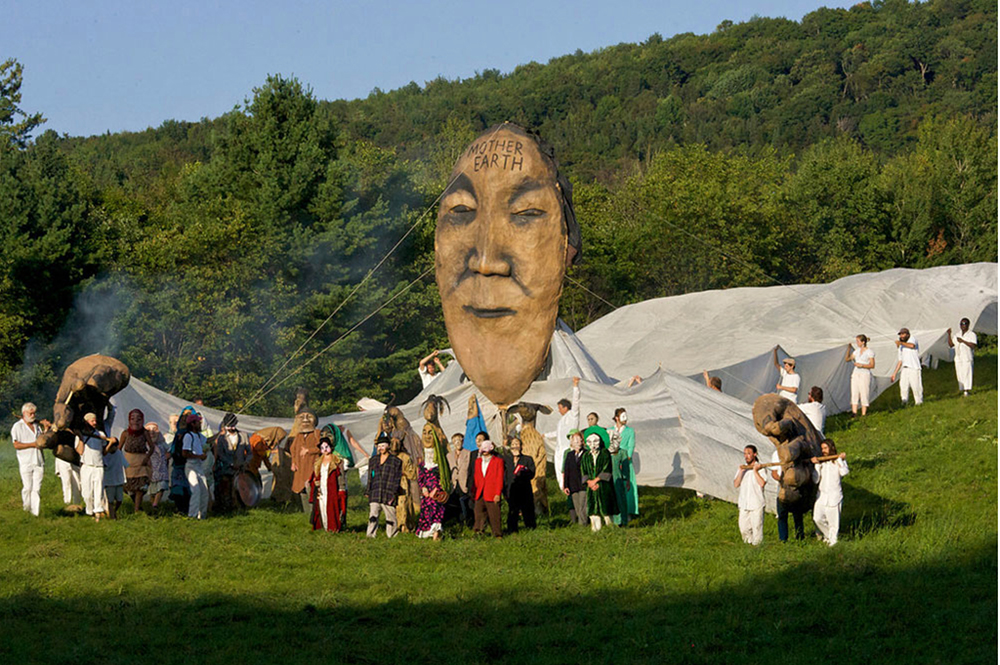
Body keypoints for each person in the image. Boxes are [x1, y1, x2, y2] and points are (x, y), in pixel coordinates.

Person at [811, 440, 849, 546]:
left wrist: (840, 460)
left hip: (834, 496)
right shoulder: (822, 463)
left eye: (825, 448)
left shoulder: (838, 461)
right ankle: (828, 536)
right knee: (817, 518)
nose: (823, 451)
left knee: (833, 522)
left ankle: (833, 542)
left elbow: (844, 472)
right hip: (822, 496)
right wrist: (817, 466)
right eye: (822, 448)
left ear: (831, 448)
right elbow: (815, 480)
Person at [75, 413, 111, 521]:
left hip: (99, 466)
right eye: (92, 421)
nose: (95, 423)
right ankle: (89, 510)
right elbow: (80, 451)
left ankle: (98, 513)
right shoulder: (81, 435)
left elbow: (104, 452)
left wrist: (110, 443)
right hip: (87, 466)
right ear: (86, 422)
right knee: (86, 493)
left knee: (98, 490)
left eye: (95, 421)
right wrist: (81, 438)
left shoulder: (100, 434)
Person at [11, 402, 45, 516]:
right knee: (27, 487)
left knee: (37, 488)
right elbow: (16, 445)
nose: (33, 415)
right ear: (24, 413)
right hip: (25, 461)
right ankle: (26, 508)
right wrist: (33, 444)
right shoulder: (17, 426)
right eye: (31, 413)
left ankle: (35, 512)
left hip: (39, 460)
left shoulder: (37, 426)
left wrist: (47, 428)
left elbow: (42, 440)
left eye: (34, 413)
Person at [213, 413, 251, 513]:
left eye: (233, 425)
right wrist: (231, 464)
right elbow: (221, 454)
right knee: (227, 489)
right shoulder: (221, 438)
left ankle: (241, 507)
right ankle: (228, 508)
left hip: (240, 468)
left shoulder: (244, 436)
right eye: (229, 426)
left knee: (240, 489)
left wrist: (245, 463)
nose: (231, 428)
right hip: (226, 469)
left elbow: (250, 453)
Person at [548, 376, 581, 494]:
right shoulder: (561, 421)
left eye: (560, 408)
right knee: (559, 470)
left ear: (566, 407)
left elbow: (576, 402)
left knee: (567, 470)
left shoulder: (573, 415)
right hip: (559, 449)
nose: (559, 410)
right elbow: (558, 433)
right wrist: (545, 435)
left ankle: (569, 488)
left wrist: (575, 387)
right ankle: (563, 490)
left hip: (568, 448)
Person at [366, 433, 403, 538]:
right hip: (375, 492)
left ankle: (392, 535)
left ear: (388, 446)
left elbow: (397, 479)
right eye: (379, 446)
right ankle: (370, 535)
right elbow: (370, 477)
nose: (380, 448)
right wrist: (368, 491)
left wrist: (394, 493)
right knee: (373, 515)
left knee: (390, 517)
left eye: (383, 445)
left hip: (388, 492)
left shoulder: (396, 461)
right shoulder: (373, 461)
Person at [308, 437, 346, 532]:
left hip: (332, 488)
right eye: (322, 448)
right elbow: (315, 475)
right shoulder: (318, 462)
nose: (325, 450)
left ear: (330, 447)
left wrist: (341, 488)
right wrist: (316, 482)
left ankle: (333, 527)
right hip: (322, 488)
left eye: (326, 447)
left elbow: (340, 476)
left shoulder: (336, 461)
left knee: (332, 507)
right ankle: (324, 526)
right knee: (322, 506)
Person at [580, 432, 616, 531]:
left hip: (603, 485)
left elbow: (607, 468)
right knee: (593, 510)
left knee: (606, 508)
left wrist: (596, 480)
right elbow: (583, 470)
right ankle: (596, 530)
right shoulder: (586, 455)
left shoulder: (605, 453)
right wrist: (589, 482)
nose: (593, 444)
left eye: (596, 441)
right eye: (590, 442)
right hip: (591, 487)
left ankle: (610, 529)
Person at [120, 409, 153, 514]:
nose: (136, 421)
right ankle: (136, 503)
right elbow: (119, 447)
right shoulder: (125, 433)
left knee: (140, 486)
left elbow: (152, 447)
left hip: (141, 460)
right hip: (129, 461)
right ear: (129, 420)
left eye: (138, 419)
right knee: (129, 487)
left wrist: (147, 458)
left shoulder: (145, 432)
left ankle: (137, 510)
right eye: (133, 419)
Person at [288, 411, 322, 514]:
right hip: (300, 468)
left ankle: (314, 513)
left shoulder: (317, 433)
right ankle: (306, 513)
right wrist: (293, 462)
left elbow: (322, 448)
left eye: (309, 416)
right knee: (301, 490)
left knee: (311, 489)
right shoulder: (298, 436)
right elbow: (293, 449)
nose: (305, 419)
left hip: (311, 466)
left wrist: (309, 450)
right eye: (302, 417)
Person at [609, 407, 638, 523]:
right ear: (617, 418)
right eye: (622, 416)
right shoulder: (610, 430)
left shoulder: (630, 431)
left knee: (627, 486)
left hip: (625, 460)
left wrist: (626, 458)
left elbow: (631, 446)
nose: (625, 419)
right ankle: (616, 512)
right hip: (613, 460)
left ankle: (628, 511)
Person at [472, 435, 505, 538]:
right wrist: (475, 490)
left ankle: (497, 534)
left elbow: (499, 478)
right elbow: (476, 476)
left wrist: (497, 493)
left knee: (494, 514)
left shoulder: (498, 461)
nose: (485, 452)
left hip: (492, 491)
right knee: (478, 512)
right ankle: (479, 532)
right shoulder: (478, 462)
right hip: (480, 491)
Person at [734, 445, 767, 546]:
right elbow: (736, 484)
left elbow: (762, 483)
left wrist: (755, 471)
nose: (746, 456)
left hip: (756, 503)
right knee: (743, 528)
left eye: (749, 453)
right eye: (745, 454)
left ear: (754, 454)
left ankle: (757, 547)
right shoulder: (742, 468)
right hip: (744, 503)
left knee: (757, 527)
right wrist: (741, 472)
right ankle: (748, 544)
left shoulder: (760, 468)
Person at [770, 449, 805, 542]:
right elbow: (773, 472)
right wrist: (781, 479)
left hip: (794, 486)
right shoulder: (776, 453)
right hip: (782, 487)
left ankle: (800, 537)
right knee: (782, 515)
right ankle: (783, 538)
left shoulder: (795, 451)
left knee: (797, 514)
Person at [503, 436, 536, 532]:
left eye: (517, 444)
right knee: (513, 510)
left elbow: (532, 473)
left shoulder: (527, 459)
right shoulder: (506, 460)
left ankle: (531, 528)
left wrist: (524, 471)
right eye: (513, 444)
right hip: (511, 489)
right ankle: (512, 530)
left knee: (527, 509)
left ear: (521, 447)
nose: (515, 446)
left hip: (524, 489)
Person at [181, 413, 209, 519]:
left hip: (199, 467)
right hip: (191, 466)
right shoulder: (188, 436)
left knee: (204, 491)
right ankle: (192, 515)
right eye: (198, 422)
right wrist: (199, 456)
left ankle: (202, 515)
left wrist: (220, 433)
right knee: (196, 489)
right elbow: (185, 453)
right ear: (192, 424)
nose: (200, 424)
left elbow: (208, 440)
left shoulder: (198, 435)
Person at [890, 328, 923, 405]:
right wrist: (894, 373)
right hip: (904, 368)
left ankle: (919, 402)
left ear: (907, 334)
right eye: (900, 334)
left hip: (914, 367)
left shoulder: (912, 339)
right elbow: (900, 361)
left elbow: (912, 345)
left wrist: (901, 343)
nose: (902, 336)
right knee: (903, 386)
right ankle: (904, 401)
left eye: (903, 334)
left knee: (916, 386)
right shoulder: (901, 346)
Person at [562, 430, 588, 525]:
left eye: (579, 440)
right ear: (571, 442)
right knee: (577, 506)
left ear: (582, 441)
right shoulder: (569, 455)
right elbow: (566, 470)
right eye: (575, 440)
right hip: (572, 485)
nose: (577, 442)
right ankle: (581, 523)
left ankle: (583, 524)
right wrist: (565, 486)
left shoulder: (586, 454)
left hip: (583, 484)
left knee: (582, 505)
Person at [845, 335, 875, 416]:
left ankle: (863, 413)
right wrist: (848, 349)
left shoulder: (869, 352)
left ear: (863, 342)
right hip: (856, 373)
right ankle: (854, 412)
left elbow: (872, 365)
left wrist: (862, 365)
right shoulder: (857, 351)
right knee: (854, 391)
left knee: (864, 392)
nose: (857, 343)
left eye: (858, 341)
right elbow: (847, 359)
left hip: (864, 373)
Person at [948, 318, 978, 396]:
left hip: (967, 357)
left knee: (967, 373)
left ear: (968, 325)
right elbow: (951, 345)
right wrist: (949, 335)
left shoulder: (971, 334)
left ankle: (967, 390)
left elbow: (973, 345)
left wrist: (963, 341)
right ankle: (962, 388)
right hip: (958, 357)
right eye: (961, 324)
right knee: (960, 373)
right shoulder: (957, 334)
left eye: (964, 324)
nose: (962, 326)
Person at [446, 432, 472, 524]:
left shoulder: (468, 453)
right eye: (455, 441)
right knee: (455, 503)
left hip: (464, 482)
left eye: (459, 440)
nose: (457, 443)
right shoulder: (449, 456)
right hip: (454, 483)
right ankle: (459, 522)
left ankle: (468, 521)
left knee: (465, 503)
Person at [102, 430, 128, 520]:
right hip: (109, 481)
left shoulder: (119, 453)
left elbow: (125, 465)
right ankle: (112, 516)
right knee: (110, 500)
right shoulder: (105, 455)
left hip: (119, 480)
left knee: (119, 500)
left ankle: (113, 511)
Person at [145, 422, 169, 509]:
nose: (152, 432)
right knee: (152, 490)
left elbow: (169, 450)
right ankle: (153, 506)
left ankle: (155, 504)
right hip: (152, 470)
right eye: (149, 430)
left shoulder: (162, 444)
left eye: (154, 429)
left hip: (162, 469)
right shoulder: (146, 446)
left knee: (161, 487)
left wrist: (166, 457)